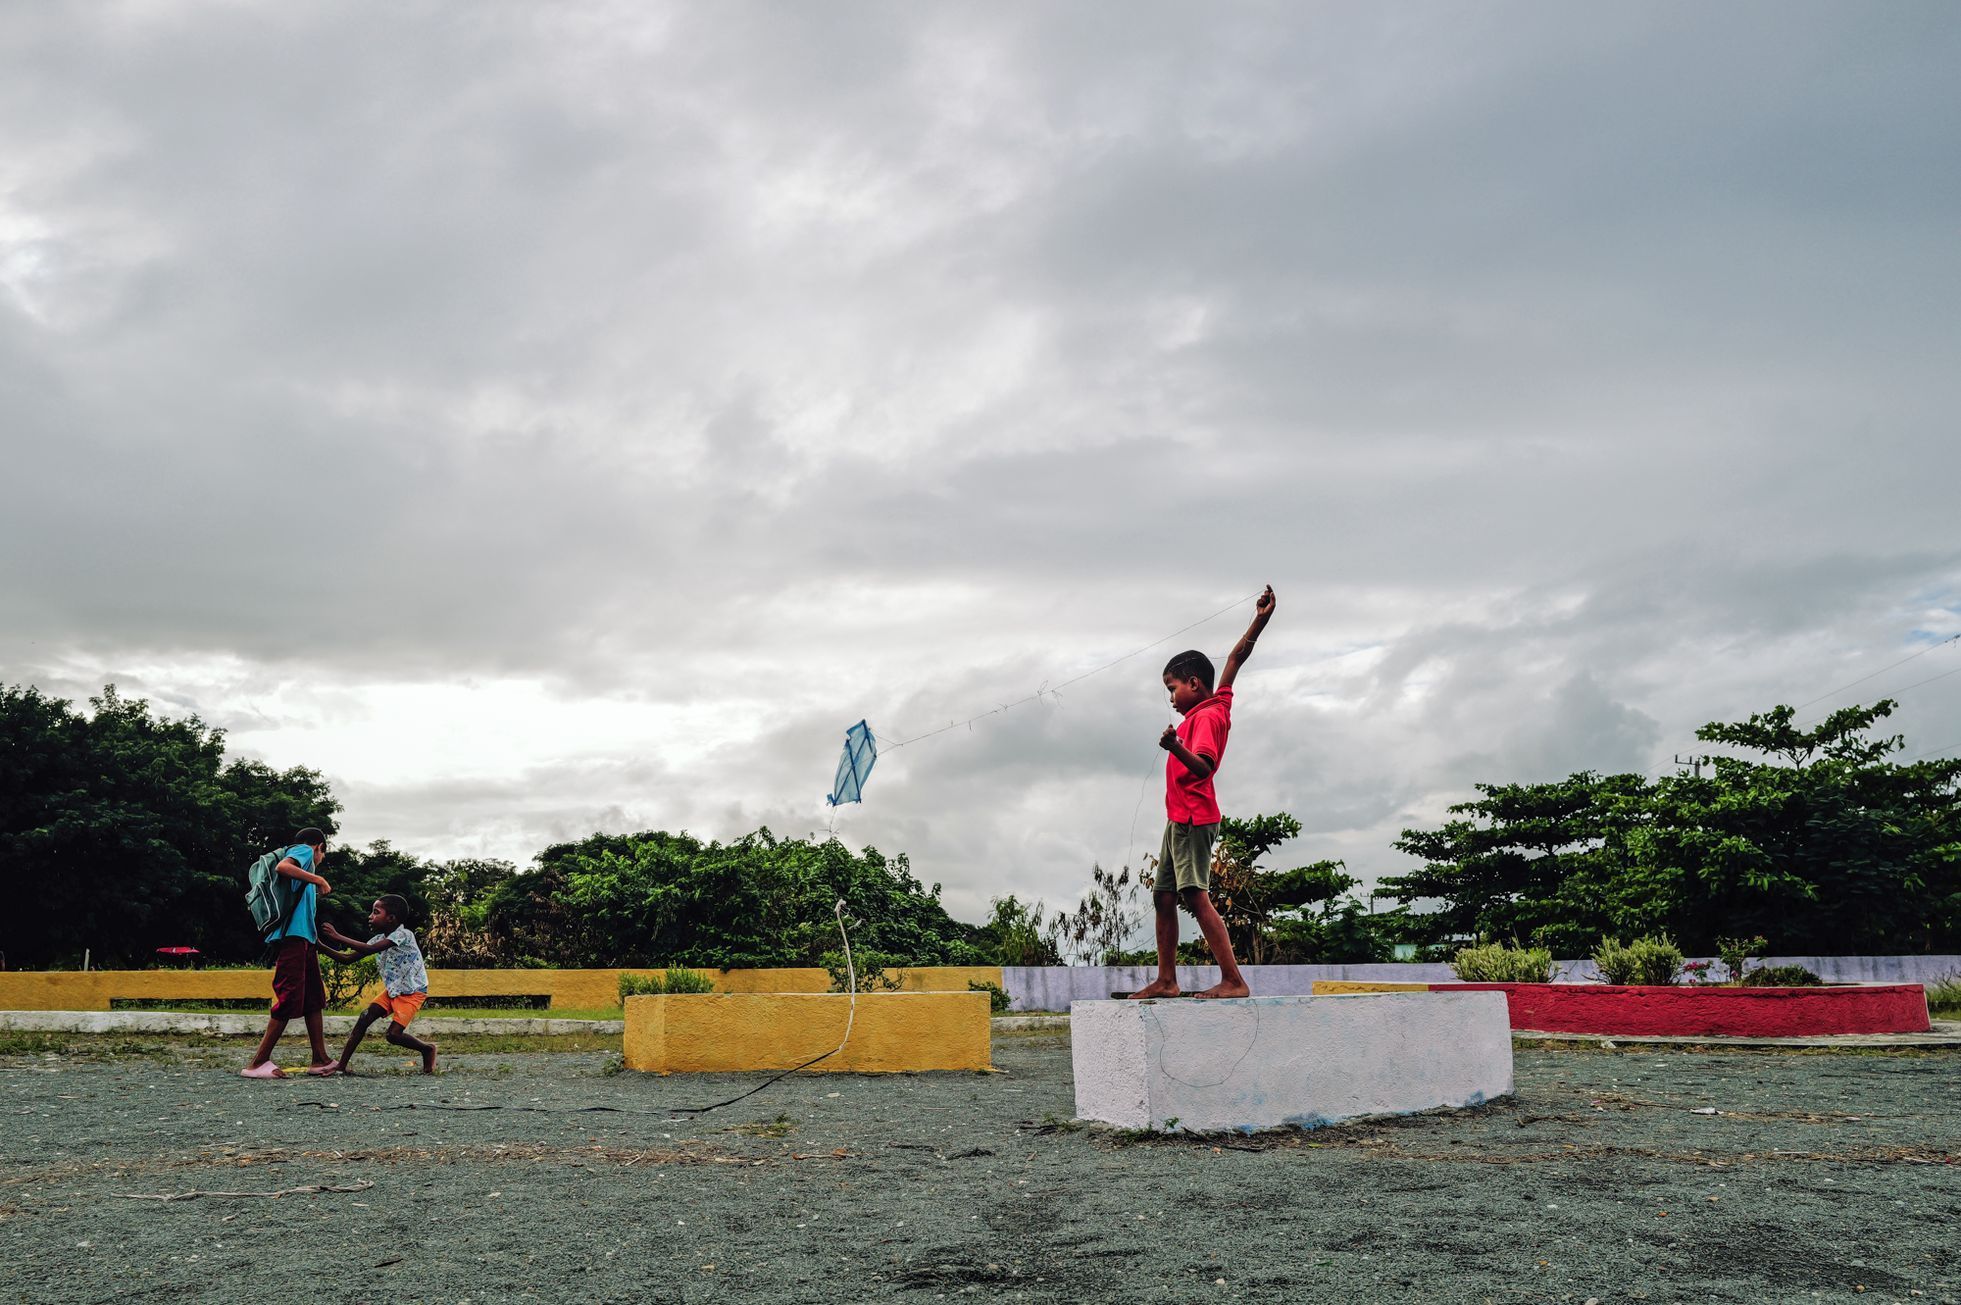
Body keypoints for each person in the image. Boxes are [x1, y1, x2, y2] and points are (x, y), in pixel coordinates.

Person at [1128, 586, 1275, 1001]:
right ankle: (1167, 980)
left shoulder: (1208, 718)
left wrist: (1175, 747)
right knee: (1163, 896)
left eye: (1172, 688)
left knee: (1194, 895)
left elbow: (1205, 767)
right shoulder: (1216, 701)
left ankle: (1233, 980)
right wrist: (1260, 619)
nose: (1171, 698)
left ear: (1194, 683)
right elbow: (1234, 659)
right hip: (1178, 819)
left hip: (1194, 817)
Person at [241, 828, 334, 1078]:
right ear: (319, 847)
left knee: (314, 999)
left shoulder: (303, 869)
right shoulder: (304, 851)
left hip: (304, 940)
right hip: (294, 939)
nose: (321, 859)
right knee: (289, 996)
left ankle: (320, 1059)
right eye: (323, 854)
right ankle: (258, 1063)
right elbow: (283, 867)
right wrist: (319, 879)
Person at [315, 895, 436, 1075]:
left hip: (412, 991)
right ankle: (341, 1066)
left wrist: (337, 936)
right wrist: (318, 945)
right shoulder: (377, 939)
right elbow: (347, 959)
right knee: (364, 1018)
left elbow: (370, 949)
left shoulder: (404, 935)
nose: (370, 916)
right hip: (393, 990)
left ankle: (427, 1049)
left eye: (376, 912)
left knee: (393, 1035)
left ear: (391, 918)